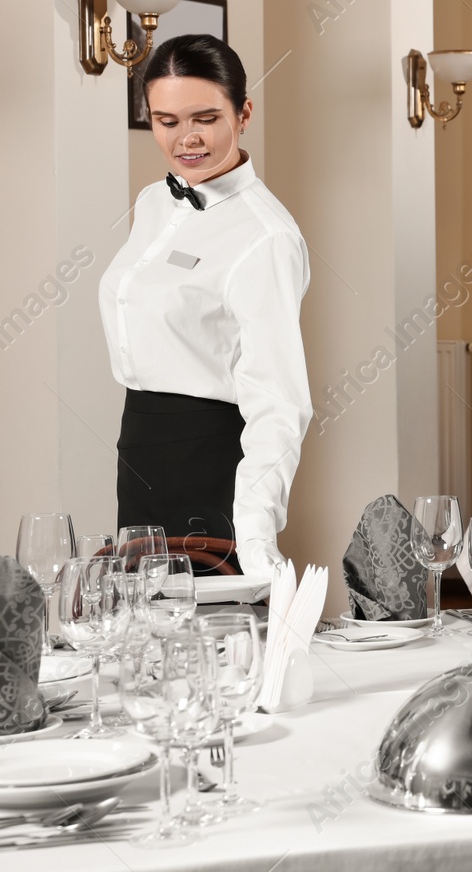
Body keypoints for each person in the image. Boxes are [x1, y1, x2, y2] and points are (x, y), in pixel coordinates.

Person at [99, 34, 312, 578]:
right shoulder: (152, 202)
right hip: (140, 448)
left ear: (243, 113)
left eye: (205, 118)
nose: (185, 138)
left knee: (208, 647)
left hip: (211, 461)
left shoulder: (266, 237)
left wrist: (255, 534)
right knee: (141, 641)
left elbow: (280, 401)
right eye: (166, 121)